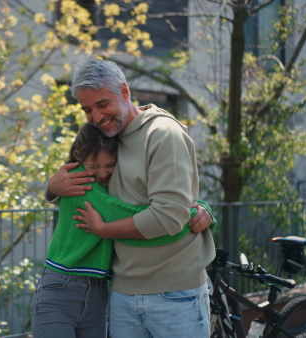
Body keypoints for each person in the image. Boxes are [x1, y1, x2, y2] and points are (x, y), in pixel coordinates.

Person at [46, 56, 216, 338]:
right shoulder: (105, 140)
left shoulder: (163, 134)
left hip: (174, 294)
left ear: (125, 92)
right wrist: (52, 186)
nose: (96, 116)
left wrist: (103, 229)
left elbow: (169, 215)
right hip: (122, 293)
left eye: (103, 104)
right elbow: (84, 190)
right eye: (87, 109)